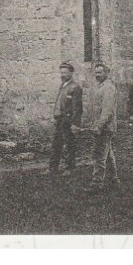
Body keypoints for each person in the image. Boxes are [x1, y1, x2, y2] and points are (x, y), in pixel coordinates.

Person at [87, 62, 119, 191]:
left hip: (105, 127)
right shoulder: (99, 86)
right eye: (96, 72)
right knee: (107, 154)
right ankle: (114, 179)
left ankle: (97, 183)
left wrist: (99, 125)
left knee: (99, 155)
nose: (97, 74)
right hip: (100, 126)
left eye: (100, 72)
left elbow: (107, 110)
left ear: (107, 73)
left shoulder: (108, 87)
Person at [48, 62, 83, 175]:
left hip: (68, 120)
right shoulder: (62, 86)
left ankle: (70, 168)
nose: (62, 75)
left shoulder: (75, 87)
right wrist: (54, 116)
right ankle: (52, 168)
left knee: (69, 144)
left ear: (71, 73)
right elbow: (58, 103)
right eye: (61, 72)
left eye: (65, 72)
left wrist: (75, 123)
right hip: (59, 120)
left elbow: (77, 108)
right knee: (56, 144)